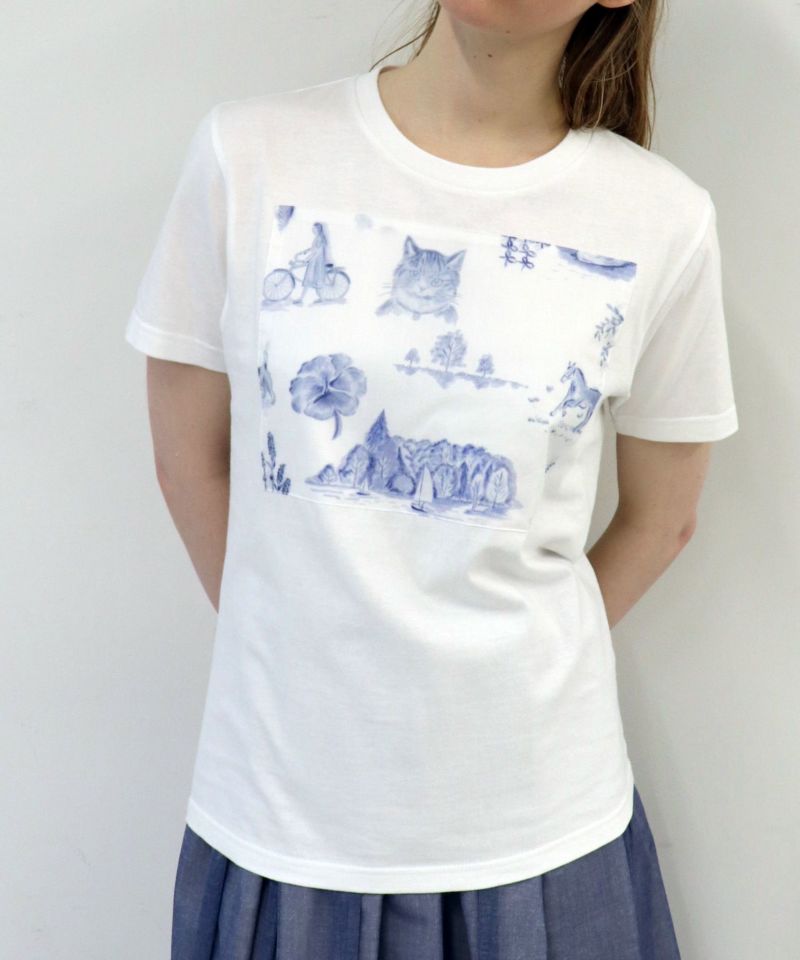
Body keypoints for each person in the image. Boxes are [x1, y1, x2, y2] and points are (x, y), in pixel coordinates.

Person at [125, 1, 739, 957]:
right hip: (285, 810)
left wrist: (496, 669)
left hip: (536, 825)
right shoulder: (248, 153)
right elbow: (186, 460)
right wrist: (301, 643)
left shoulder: (663, 217)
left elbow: (664, 520)